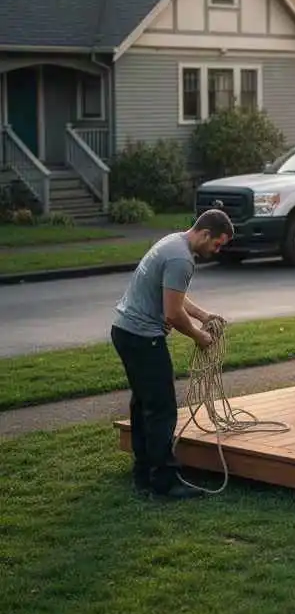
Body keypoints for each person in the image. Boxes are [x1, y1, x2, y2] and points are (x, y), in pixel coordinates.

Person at [110, 209, 234, 499]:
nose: (217, 251)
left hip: (125, 332)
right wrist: (200, 336)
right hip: (143, 339)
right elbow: (173, 312)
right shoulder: (181, 259)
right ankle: (164, 481)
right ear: (205, 234)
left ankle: (143, 474)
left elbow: (173, 294)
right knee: (162, 409)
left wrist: (204, 315)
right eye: (217, 244)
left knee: (144, 405)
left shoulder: (173, 242)